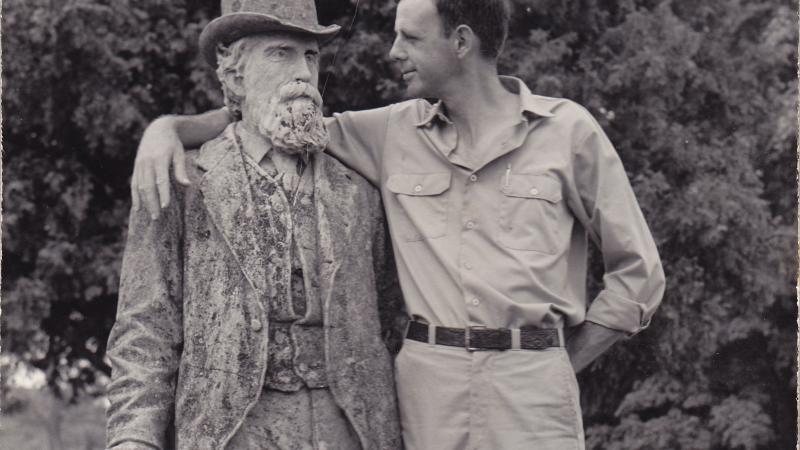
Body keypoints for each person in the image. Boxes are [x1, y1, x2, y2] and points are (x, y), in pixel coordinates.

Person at [131, 0, 666, 448]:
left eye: (409, 38)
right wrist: (168, 129)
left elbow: (638, 276)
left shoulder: (568, 131)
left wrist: (556, 364)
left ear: (460, 42)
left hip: (532, 387)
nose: (394, 53)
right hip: (428, 391)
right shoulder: (391, 133)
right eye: (282, 53)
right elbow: (267, 115)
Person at [105, 0, 404, 449]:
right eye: (281, 53)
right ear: (235, 76)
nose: (303, 73)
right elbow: (146, 330)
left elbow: (390, 320)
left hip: (352, 434)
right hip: (230, 434)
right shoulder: (183, 180)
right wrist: (133, 440)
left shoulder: (359, 187)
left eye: (311, 56)